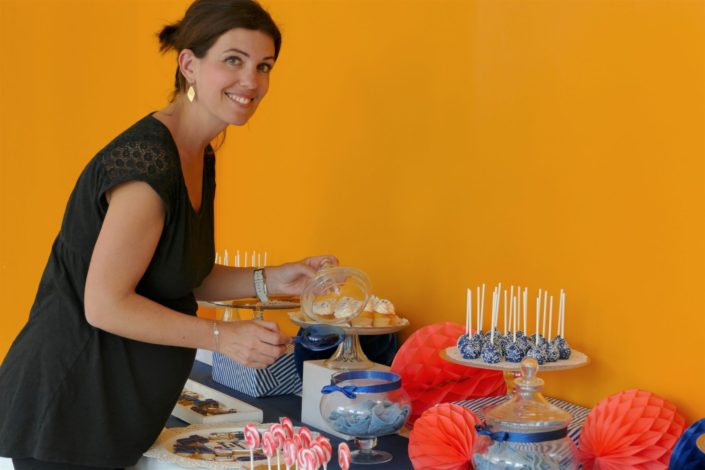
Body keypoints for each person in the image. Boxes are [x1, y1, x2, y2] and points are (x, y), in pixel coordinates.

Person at [0, 1, 333, 468]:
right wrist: (222, 337)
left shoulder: (199, 152)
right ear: (189, 64)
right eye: (232, 60)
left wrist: (272, 280)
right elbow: (105, 303)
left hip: (114, 406)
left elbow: (175, 271)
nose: (251, 82)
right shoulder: (148, 166)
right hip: (71, 406)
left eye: (264, 66)